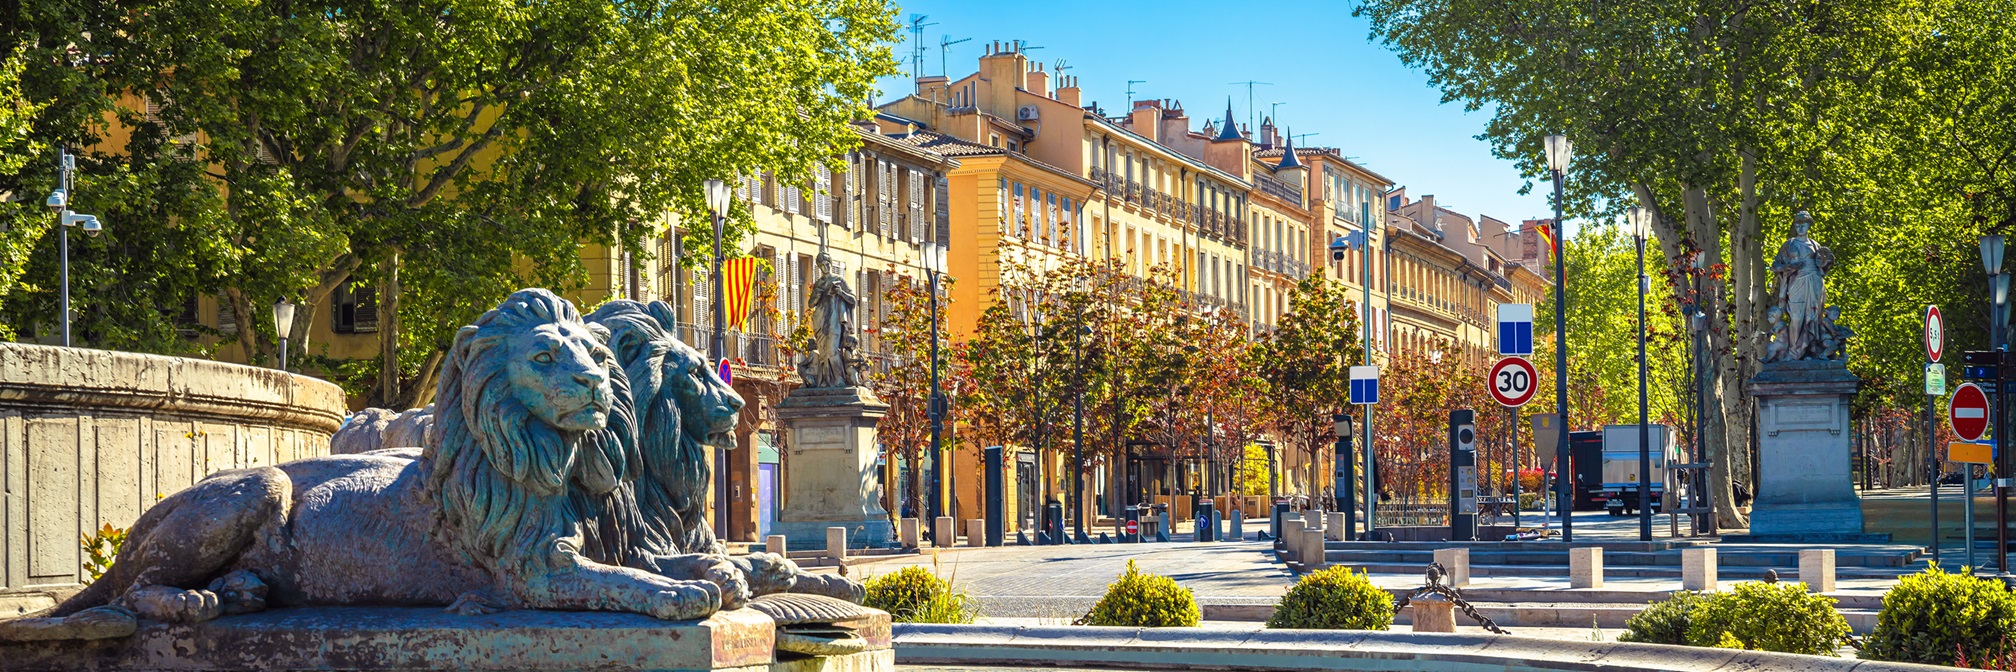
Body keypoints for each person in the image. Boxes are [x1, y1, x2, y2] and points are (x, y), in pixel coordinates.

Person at [1769, 212, 1830, 360]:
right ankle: (1794, 352)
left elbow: (1823, 265)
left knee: (1814, 318)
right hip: (1797, 282)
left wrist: (1826, 264)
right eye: (1797, 224)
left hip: (1814, 282)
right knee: (1796, 317)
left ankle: (1810, 351)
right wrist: (1790, 266)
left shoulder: (1816, 245)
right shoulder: (1789, 244)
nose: (1800, 227)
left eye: (1804, 224)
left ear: (1809, 225)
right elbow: (1775, 266)